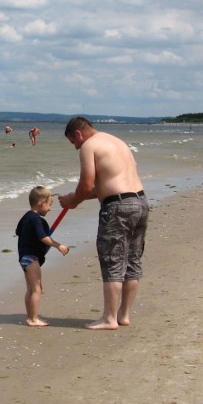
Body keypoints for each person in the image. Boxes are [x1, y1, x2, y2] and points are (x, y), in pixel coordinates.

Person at [58, 116, 149, 330]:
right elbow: (109, 184)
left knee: (113, 260)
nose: (76, 146)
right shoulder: (116, 141)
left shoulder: (89, 146)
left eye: (73, 142)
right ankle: (123, 314)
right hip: (140, 202)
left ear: (78, 134)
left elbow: (87, 182)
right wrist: (76, 197)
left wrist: (73, 200)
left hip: (118, 208)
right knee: (132, 260)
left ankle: (109, 318)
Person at [16, 186, 70, 327]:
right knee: (37, 289)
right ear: (41, 202)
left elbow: (18, 231)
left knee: (31, 288)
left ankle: (30, 317)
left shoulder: (27, 216)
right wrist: (59, 246)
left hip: (24, 257)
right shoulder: (36, 220)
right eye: (49, 204)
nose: (50, 209)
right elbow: (43, 237)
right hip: (31, 257)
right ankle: (33, 319)